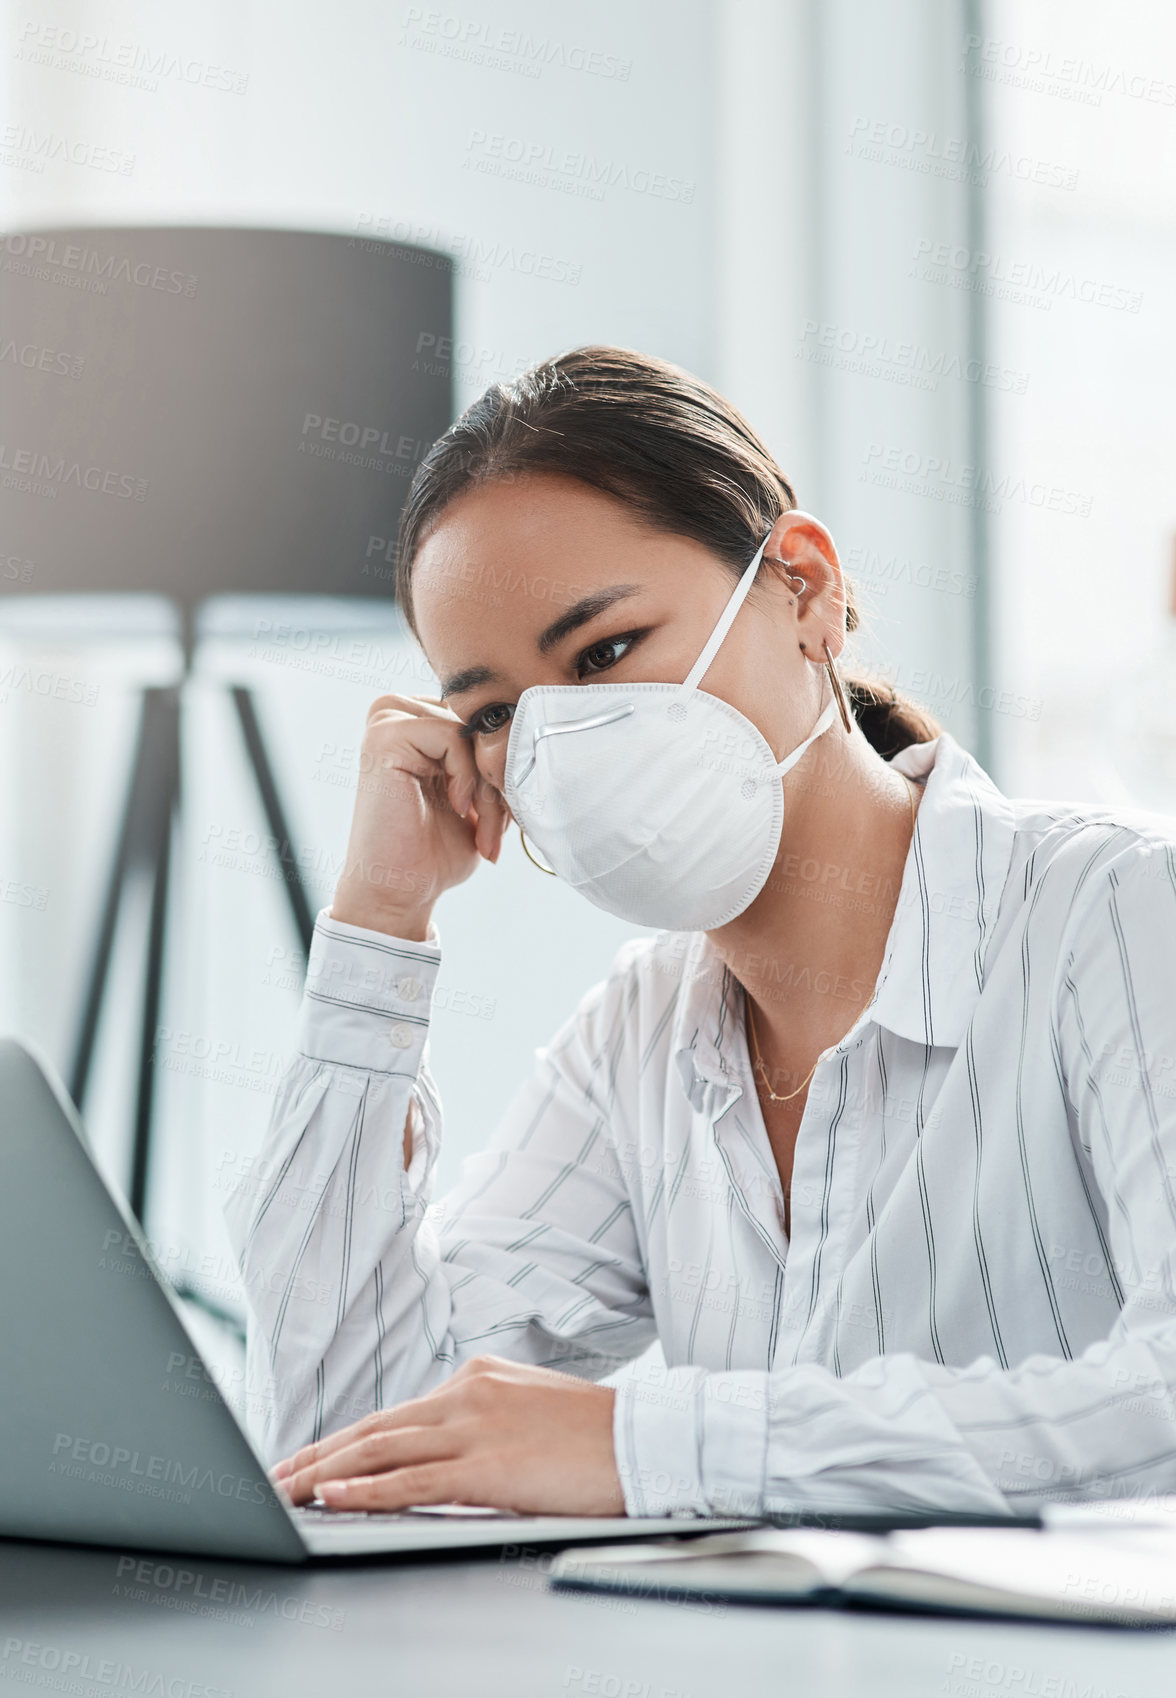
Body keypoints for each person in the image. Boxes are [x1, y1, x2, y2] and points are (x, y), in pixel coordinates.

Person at [227, 345, 1176, 1521]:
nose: (563, 738)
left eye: (609, 651)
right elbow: (349, 1447)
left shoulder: (1123, 914)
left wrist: (651, 1446)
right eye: (500, 713)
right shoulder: (639, 1035)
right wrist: (379, 929)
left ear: (807, 592)